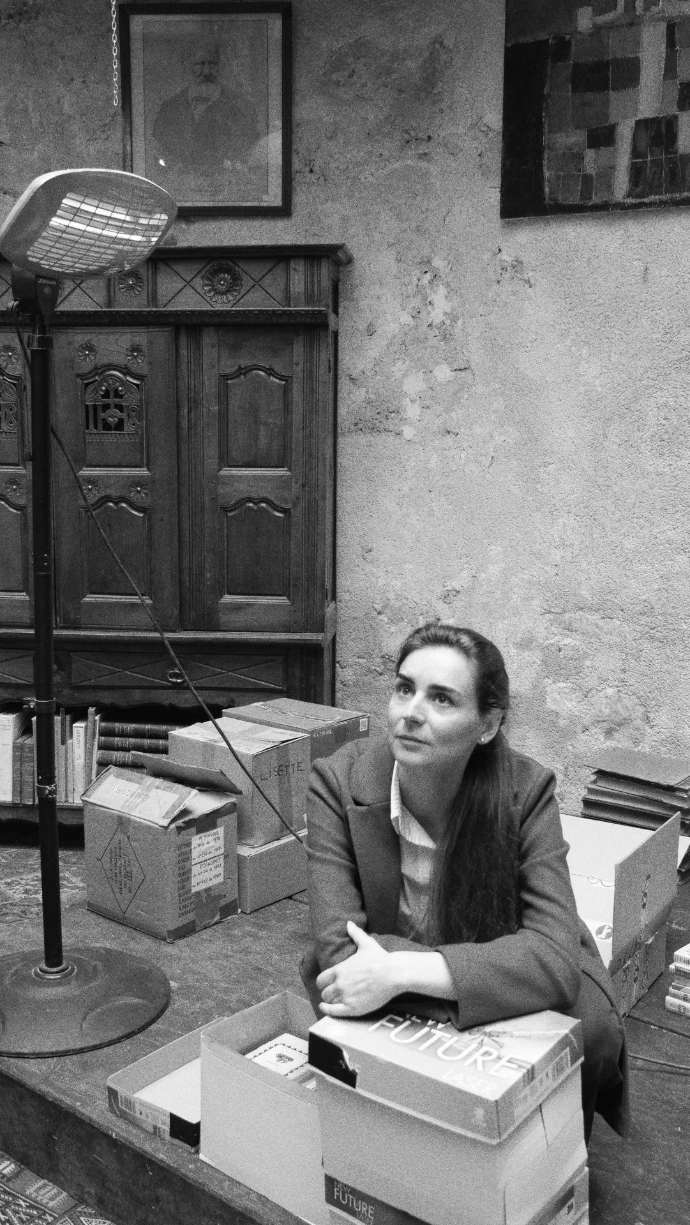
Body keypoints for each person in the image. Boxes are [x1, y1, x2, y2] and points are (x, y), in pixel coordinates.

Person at [301, 622, 628, 1141]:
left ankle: (546, 1157)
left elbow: (553, 958)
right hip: (484, 970)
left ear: (488, 724)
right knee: (340, 987)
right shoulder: (338, 782)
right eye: (404, 688)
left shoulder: (526, 791)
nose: (411, 712)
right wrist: (486, 983)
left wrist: (401, 972)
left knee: (592, 1026)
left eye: (442, 699)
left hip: (442, 961)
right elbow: (339, 950)